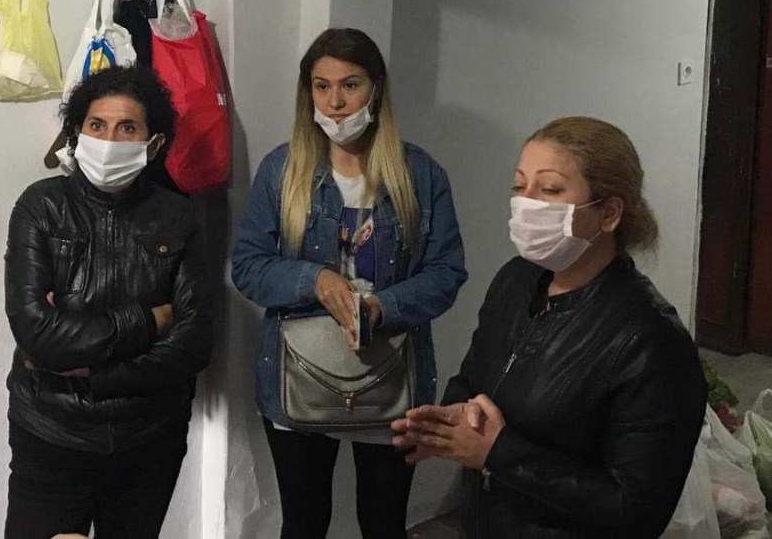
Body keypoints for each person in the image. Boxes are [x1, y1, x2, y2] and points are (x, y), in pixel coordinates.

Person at [392, 116, 707, 538]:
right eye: (519, 187)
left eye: (550, 190)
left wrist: (499, 452)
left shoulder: (650, 341)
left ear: (609, 213)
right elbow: (476, 375)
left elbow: (636, 511)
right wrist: (453, 418)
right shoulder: (516, 280)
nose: (526, 205)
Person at [231, 27, 467, 539]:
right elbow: (247, 265)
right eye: (322, 87)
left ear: (376, 89)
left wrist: (384, 305)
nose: (335, 103)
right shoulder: (282, 171)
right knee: (304, 522)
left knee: (383, 523)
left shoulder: (420, 174)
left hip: (391, 377)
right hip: (297, 377)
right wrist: (313, 279)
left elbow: (446, 273)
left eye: (350, 85)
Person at [4, 65, 213, 539]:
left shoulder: (177, 216)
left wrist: (95, 372)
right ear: (76, 133)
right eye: (96, 125)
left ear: (153, 145)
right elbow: (38, 335)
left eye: (127, 128)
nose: (109, 140)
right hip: (52, 433)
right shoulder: (41, 207)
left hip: (150, 438)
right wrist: (150, 321)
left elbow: (195, 343)